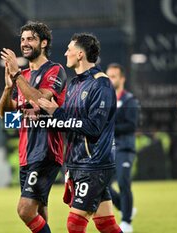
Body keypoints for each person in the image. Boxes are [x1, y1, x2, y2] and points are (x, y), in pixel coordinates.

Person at [38, 33, 122, 233]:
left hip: (94, 164)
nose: (66, 53)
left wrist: (56, 112)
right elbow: (67, 121)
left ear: (81, 54)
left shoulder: (101, 84)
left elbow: (94, 127)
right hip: (77, 163)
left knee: (74, 224)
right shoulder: (75, 84)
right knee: (106, 224)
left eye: (69, 49)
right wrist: (42, 120)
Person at [0, 21, 67, 233]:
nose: (25, 43)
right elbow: (6, 116)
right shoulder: (23, 77)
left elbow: (40, 102)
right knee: (40, 212)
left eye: (30, 39)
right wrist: (8, 88)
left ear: (43, 43)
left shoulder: (55, 70)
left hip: (46, 152)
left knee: (25, 210)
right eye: (22, 39)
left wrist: (17, 76)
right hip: (26, 154)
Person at [106, 63, 139, 232]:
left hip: (124, 148)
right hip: (108, 150)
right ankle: (126, 208)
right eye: (108, 76)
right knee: (102, 184)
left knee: (123, 182)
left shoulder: (129, 100)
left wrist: (108, 126)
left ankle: (126, 221)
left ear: (122, 79)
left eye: (113, 76)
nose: (110, 79)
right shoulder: (105, 101)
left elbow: (131, 125)